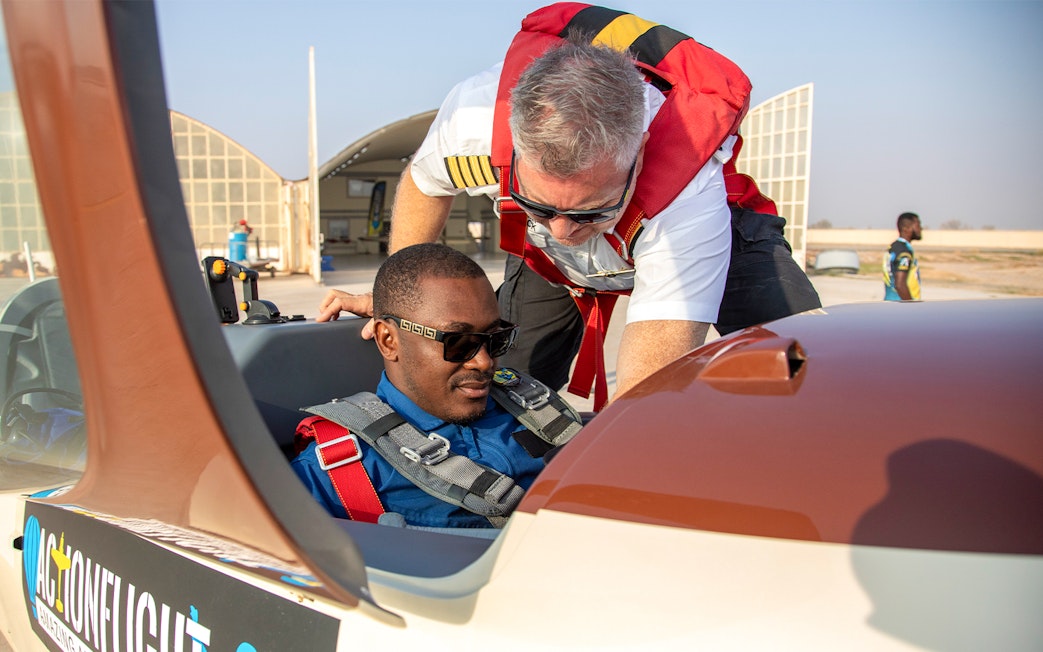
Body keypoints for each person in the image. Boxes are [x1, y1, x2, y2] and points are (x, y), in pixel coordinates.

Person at [317, 3, 821, 410]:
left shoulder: (684, 198)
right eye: (538, 205)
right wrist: (396, 299)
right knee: (498, 383)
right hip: (548, 269)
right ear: (513, 151)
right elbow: (426, 186)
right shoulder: (472, 124)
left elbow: (642, 394)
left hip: (722, 240)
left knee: (809, 372)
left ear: (639, 155)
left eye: (588, 212)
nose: (561, 230)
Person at [293, 243, 581, 529]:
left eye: (495, 338)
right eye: (457, 342)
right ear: (387, 340)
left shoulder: (533, 410)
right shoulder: (338, 472)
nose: (484, 362)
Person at [883, 212, 923, 301]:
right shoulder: (904, 251)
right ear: (906, 229)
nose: (921, 228)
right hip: (901, 306)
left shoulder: (893, 247)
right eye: (918, 225)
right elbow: (900, 284)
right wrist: (911, 306)